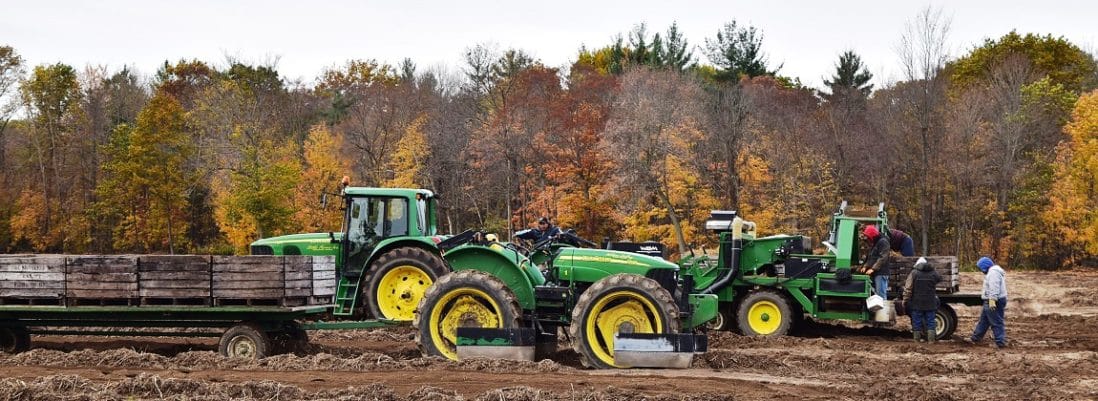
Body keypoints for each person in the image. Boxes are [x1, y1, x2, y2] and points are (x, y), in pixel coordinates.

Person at [969, 256, 1009, 348]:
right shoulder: (993, 272)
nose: (981, 271)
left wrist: (992, 300)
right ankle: (976, 338)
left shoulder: (993, 273)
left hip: (994, 300)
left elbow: (994, 287)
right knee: (984, 321)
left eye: (980, 268)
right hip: (992, 299)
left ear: (984, 267)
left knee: (996, 322)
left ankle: (1000, 342)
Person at [902, 257, 941, 342]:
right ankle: (931, 341)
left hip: (917, 302)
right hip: (930, 302)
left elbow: (908, 288)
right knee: (931, 322)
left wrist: (905, 300)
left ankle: (917, 341)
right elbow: (939, 279)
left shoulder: (914, 273)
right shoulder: (934, 273)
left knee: (917, 322)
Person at [859, 225, 892, 299]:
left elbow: (883, 257)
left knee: (881, 296)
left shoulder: (883, 242)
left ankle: (883, 310)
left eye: (868, 236)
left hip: (881, 273)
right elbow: (871, 257)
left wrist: (873, 269)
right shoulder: (875, 243)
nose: (867, 238)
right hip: (877, 273)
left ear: (872, 235)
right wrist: (865, 266)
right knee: (876, 296)